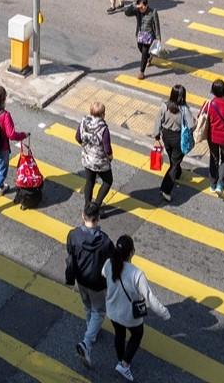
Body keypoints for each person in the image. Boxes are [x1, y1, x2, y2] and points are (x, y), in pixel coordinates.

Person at [104, 234, 169, 381]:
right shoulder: (137, 274)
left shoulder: (109, 263)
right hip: (130, 316)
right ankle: (125, 365)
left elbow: (104, 274)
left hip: (113, 311)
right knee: (137, 335)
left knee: (119, 334)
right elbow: (150, 298)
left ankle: (121, 359)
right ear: (132, 252)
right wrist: (164, 313)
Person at [65, 203, 113, 370]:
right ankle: (87, 342)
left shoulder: (73, 235)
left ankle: (91, 331)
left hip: (81, 280)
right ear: (98, 218)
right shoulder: (105, 241)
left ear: (82, 216)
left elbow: (69, 254)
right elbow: (113, 263)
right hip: (98, 283)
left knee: (87, 306)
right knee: (99, 311)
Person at [156, 84, 194, 202]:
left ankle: (178, 173)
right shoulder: (184, 109)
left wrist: (157, 137)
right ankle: (166, 189)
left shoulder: (164, 106)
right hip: (178, 139)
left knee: (173, 159)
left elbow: (158, 121)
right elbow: (191, 125)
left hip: (166, 136)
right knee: (174, 164)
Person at [76, 102, 113, 212]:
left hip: (87, 159)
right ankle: (96, 205)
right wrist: (110, 157)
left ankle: (87, 206)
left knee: (90, 182)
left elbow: (78, 137)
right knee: (107, 181)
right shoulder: (104, 129)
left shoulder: (84, 121)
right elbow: (107, 149)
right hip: (100, 162)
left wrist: (86, 147)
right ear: (102, 114)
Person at [123, 0, 161, 80]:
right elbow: (127, 13)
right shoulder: (137, 11)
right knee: (140, 48)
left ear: (146, 5)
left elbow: (157, 26)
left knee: (144, 52)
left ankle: (141, 72)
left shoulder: (153, 12)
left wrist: (158, 38)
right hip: (140, 36)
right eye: (140, 7)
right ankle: (149, 56)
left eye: (143, 7)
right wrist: (134, 5)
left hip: (149, 36)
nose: (141, 9)